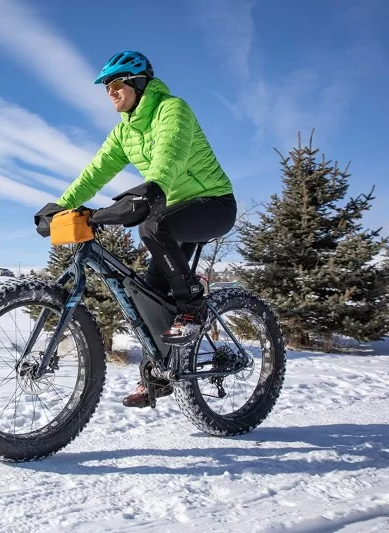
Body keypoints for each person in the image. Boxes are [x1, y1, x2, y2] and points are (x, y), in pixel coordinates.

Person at [35, 50, 237, 408]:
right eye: (106, 88)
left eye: (116, 84)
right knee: (150, 297)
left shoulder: (172, 109)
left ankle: (193, 307)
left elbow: (169, 155)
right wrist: (62, 205)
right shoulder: (124, 132)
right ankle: (158, 374)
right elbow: (95, 171)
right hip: (174, 208)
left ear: (138, 83)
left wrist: (154, 188)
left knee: (152, 227)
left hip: (213, 203)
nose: (110, 92)